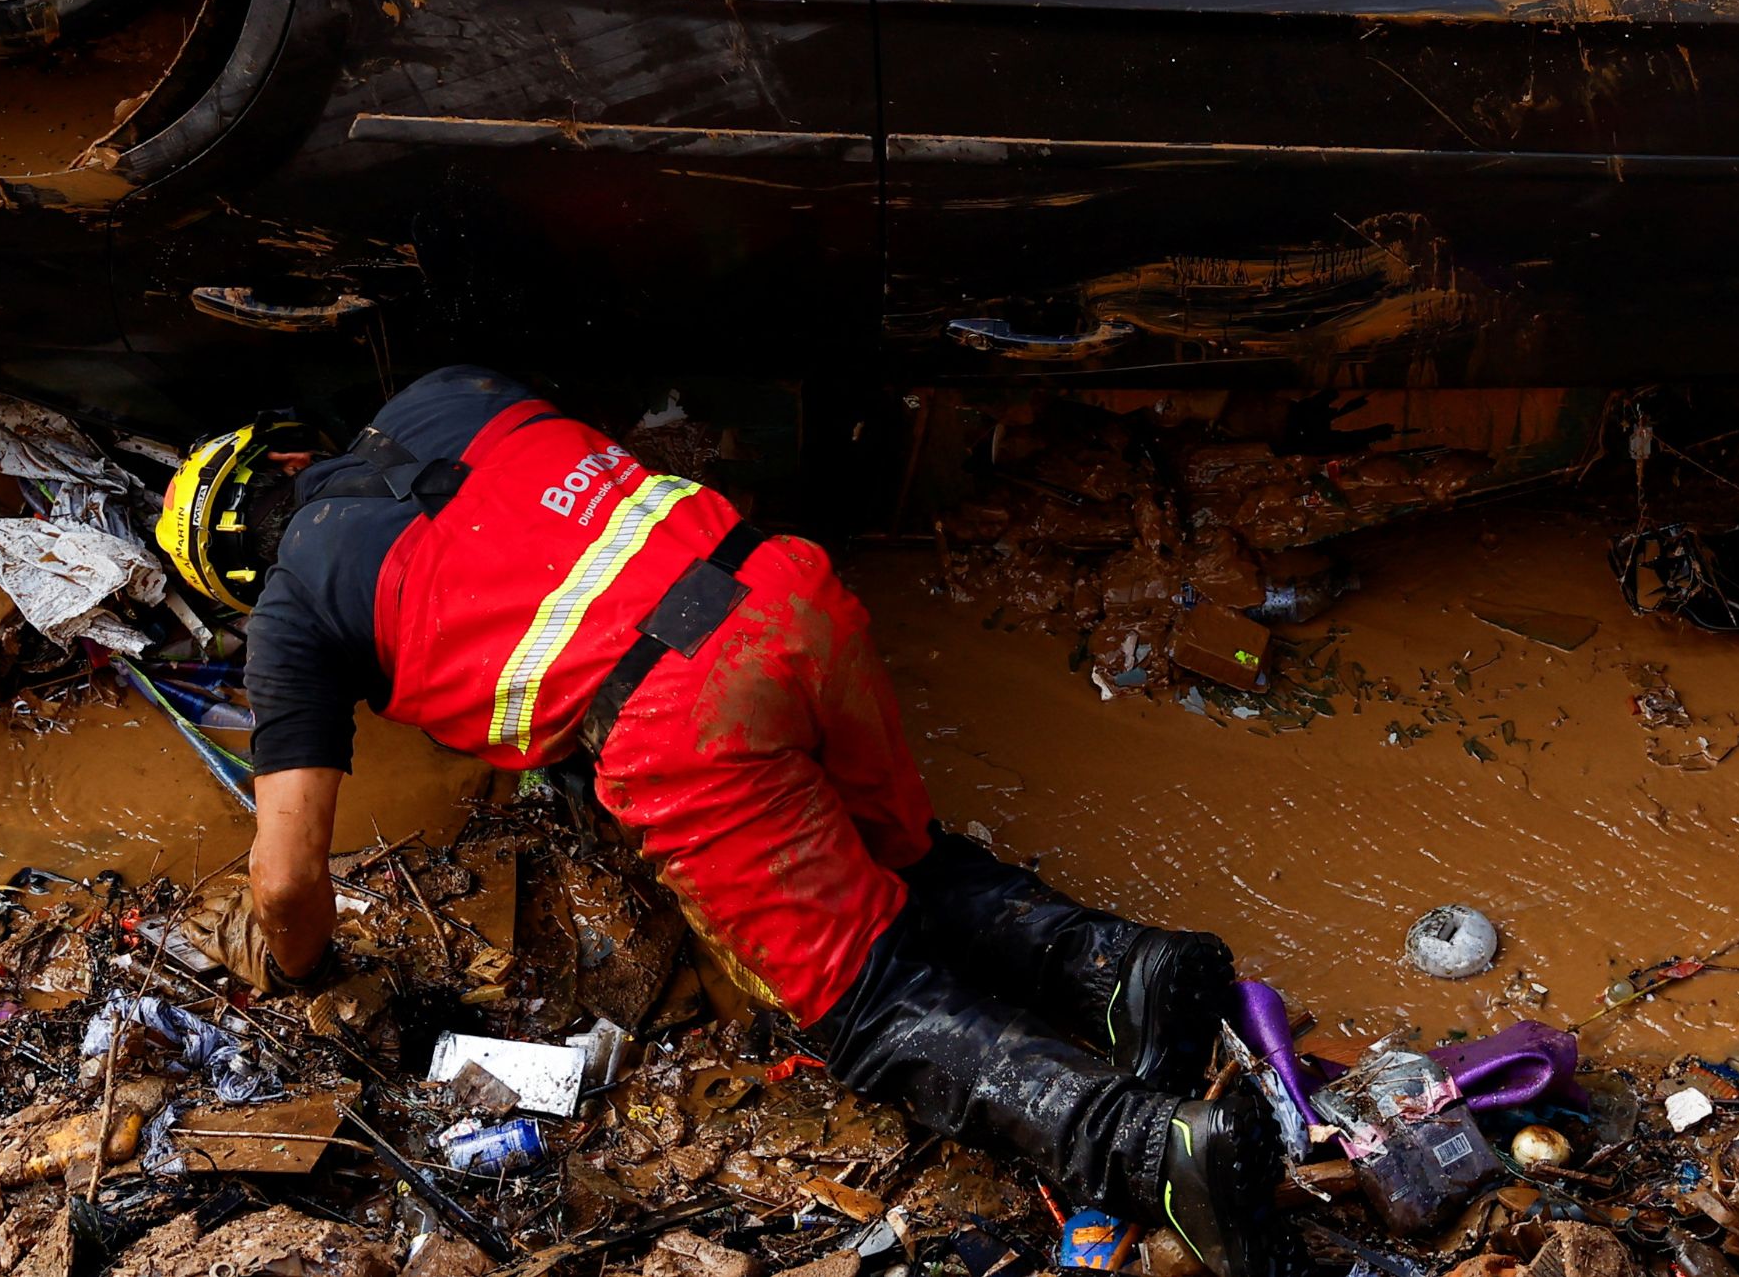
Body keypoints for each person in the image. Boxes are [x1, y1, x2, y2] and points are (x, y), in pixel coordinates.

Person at [160, 367, 1284, 1277]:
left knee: (860, 1003)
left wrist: (307, 980)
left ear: (238, 574)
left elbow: (287, 883)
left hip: (683, 720)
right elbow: (530, 550)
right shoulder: (451, 392)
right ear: (297, 453)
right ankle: (1129, 969)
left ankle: (1154, 1150)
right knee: (896, 857)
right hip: (782, 589)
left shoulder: (293, 608)